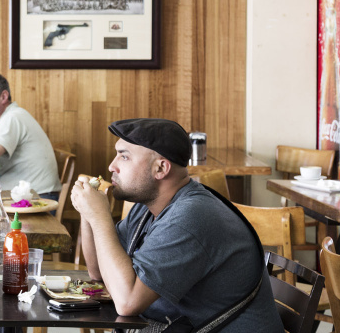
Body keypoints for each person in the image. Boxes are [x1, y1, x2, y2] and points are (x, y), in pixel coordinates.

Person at [71, 118, 283, 332]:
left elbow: (127, 303)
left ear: (161, 168)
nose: (112, 166)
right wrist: (88, 213)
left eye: (124, 156)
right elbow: (99, 272)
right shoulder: (147, 208)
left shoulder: (190, 217)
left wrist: (99, 217)